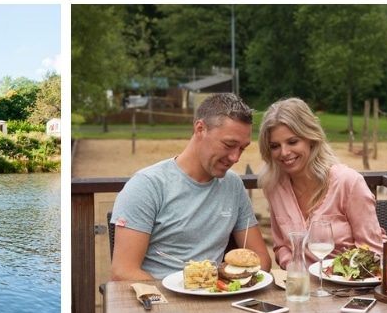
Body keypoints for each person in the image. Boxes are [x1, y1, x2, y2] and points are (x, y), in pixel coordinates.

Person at [109, 93, 272, 281]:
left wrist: (229, 284)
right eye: (229, 145)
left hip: (217, 298)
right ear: (200, 129)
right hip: (159, 302)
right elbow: (122, 272)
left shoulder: (233, 185)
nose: (236, 158)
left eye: (242, 148)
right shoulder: (147, 185)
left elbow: (261, 259)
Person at [257, 98, 387, 269]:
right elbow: (281, 247)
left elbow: (373, 251)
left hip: (349, 287)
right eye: (275, 146)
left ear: (311, 138)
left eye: (292, 142)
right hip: (302, 288)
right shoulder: (273, 187)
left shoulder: (348, 182)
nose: (284, 153)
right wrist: (296, 268)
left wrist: (335, 273)